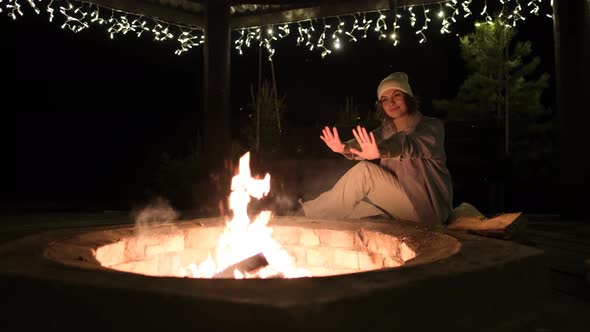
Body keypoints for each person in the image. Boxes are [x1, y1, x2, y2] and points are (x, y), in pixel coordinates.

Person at [299, 72, 453, 225]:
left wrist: (382, 150)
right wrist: (344, 147)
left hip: (427, 211)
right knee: (354, 211)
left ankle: (305, 215)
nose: (391, 103)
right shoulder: (387, 129)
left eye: (396, 95)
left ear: (408, 97)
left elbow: (407, 143)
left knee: (365, 172)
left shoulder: (431, 126)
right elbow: (367, 142)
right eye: (384, 100)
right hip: (400, 204)